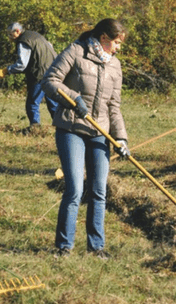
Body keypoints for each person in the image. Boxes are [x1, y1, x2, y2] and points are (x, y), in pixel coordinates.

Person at [41, 18, 129, 259]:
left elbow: (114, 106)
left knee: (99, 190)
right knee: (75, 189)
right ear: (103, 38)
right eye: (116, 43)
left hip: (100, 133)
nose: (118, 48)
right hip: (71, 128)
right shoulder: (76, 52)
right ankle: (63, 247)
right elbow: (49, 81)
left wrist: (120, 138)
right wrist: (73, 97)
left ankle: (96, 247)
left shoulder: (115, 65)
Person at [0, 22, 59, 130]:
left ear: (17, 31)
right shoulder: (37, 36)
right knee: (53, 103)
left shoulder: (23, 41)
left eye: (10, 34)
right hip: (52, 73)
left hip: (38, 75)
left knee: (32, 103)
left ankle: (35, 128)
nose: (9, 38)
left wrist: (6, 70)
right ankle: (61, 128)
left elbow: (22, 65)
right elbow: (53, 52)